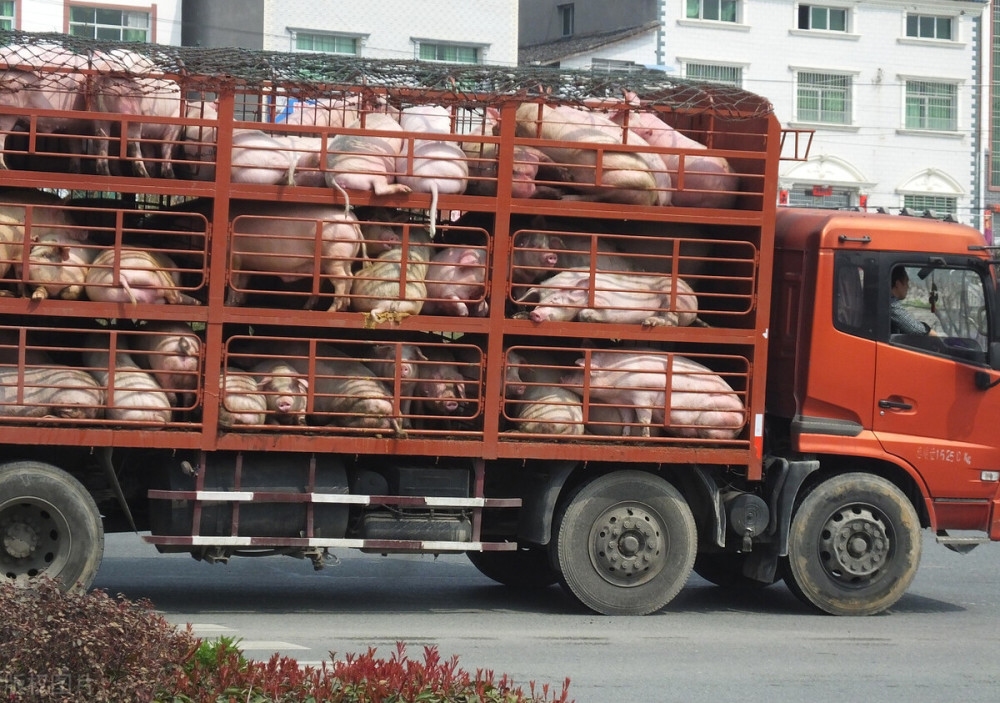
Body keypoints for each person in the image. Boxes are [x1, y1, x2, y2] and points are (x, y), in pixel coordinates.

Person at [889, 266, 934, 335]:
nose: (908, 286)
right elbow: (915, 329)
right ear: (897, 284)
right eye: (906, 282)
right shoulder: (889, 304)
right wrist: (931, 333)